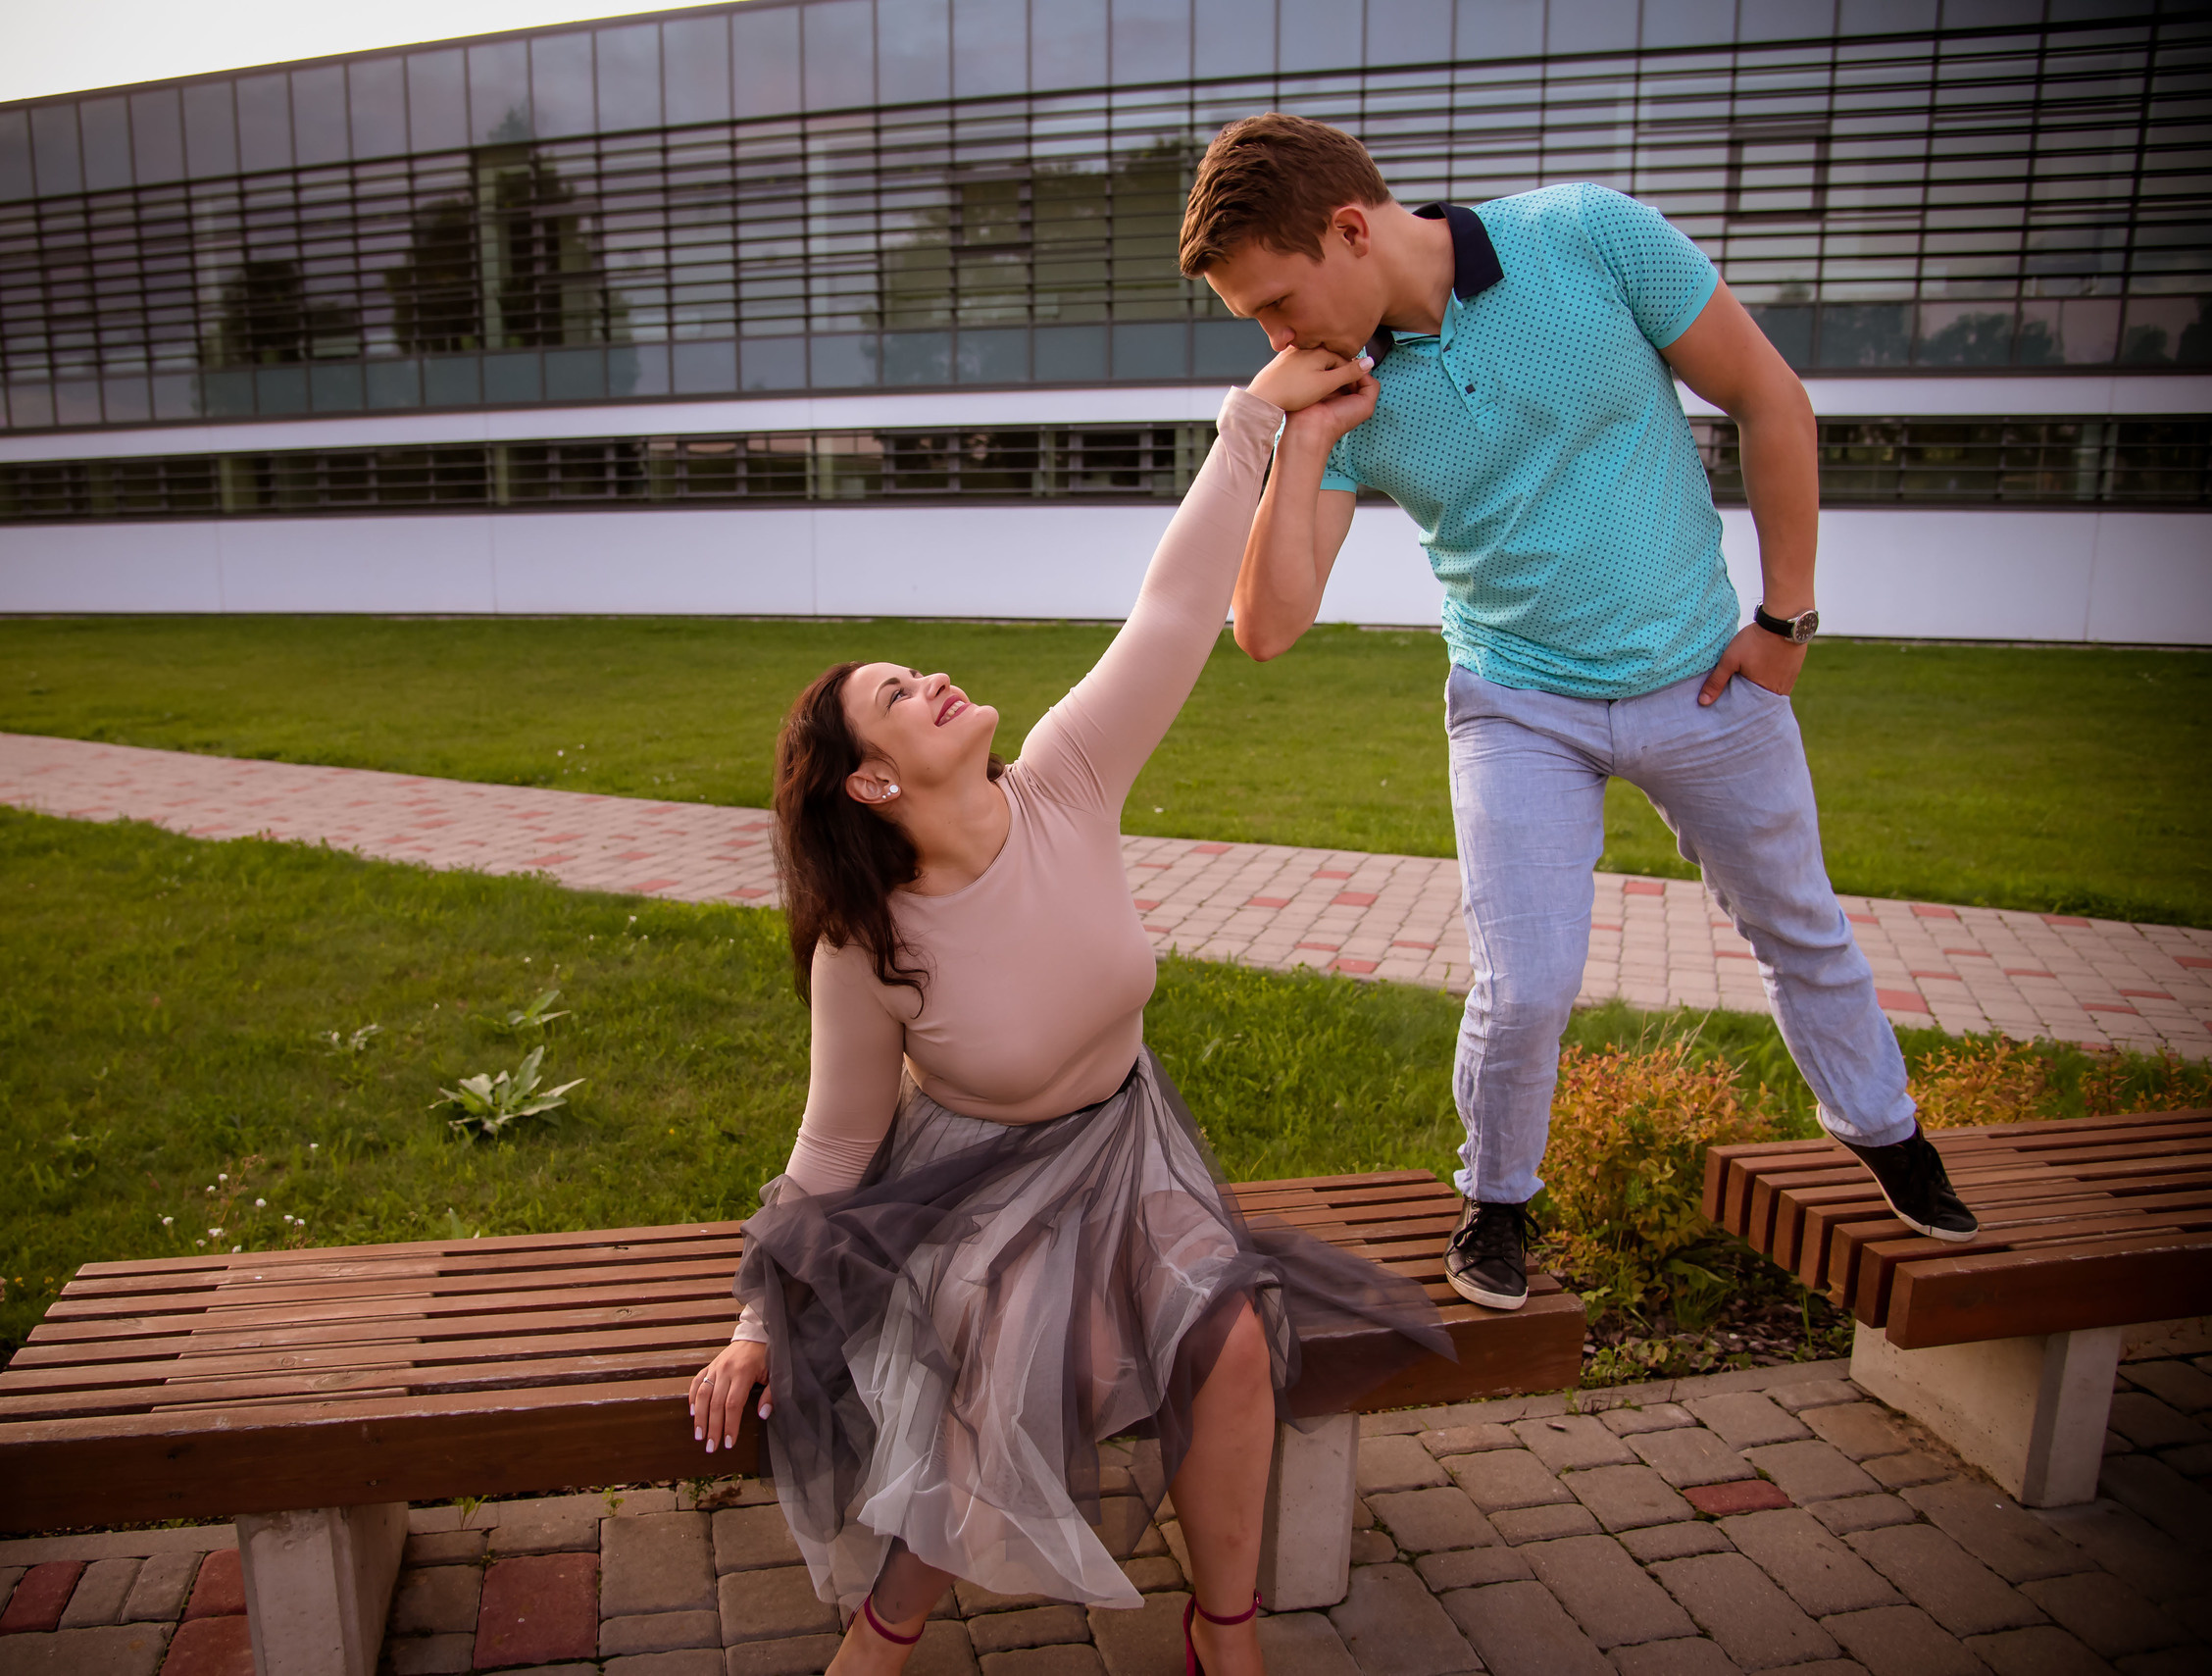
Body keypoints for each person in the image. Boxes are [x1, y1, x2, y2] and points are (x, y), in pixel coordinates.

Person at [686, 347, 1449, 1676]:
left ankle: (1228, 1636)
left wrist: (1253, 423)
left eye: (913, 668)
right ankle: (888, 1634)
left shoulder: (1068, 780)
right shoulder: (869, 947)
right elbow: (831, 1145)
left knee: (1222, 1337)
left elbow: (1172, 606)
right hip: (976, 1192)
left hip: (1131, 1143)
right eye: (892, 695)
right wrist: (757, 1319)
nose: (928, 680)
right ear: (869, 785)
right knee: (1031, 1346)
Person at [1173, 113, 1981, 1316]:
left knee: (1800, 926)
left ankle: (1887, 1134)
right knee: (1528, 978)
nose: (1279, 339)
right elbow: (1267, 626)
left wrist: (1787, 620)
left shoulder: (1590, 238)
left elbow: (1769, 397)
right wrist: (1296, 436)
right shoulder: (1341, 386)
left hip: (1705, 678)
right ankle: (1496, 1200)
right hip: (1516, 706)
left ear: (1349, 228)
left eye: (1277, 306)